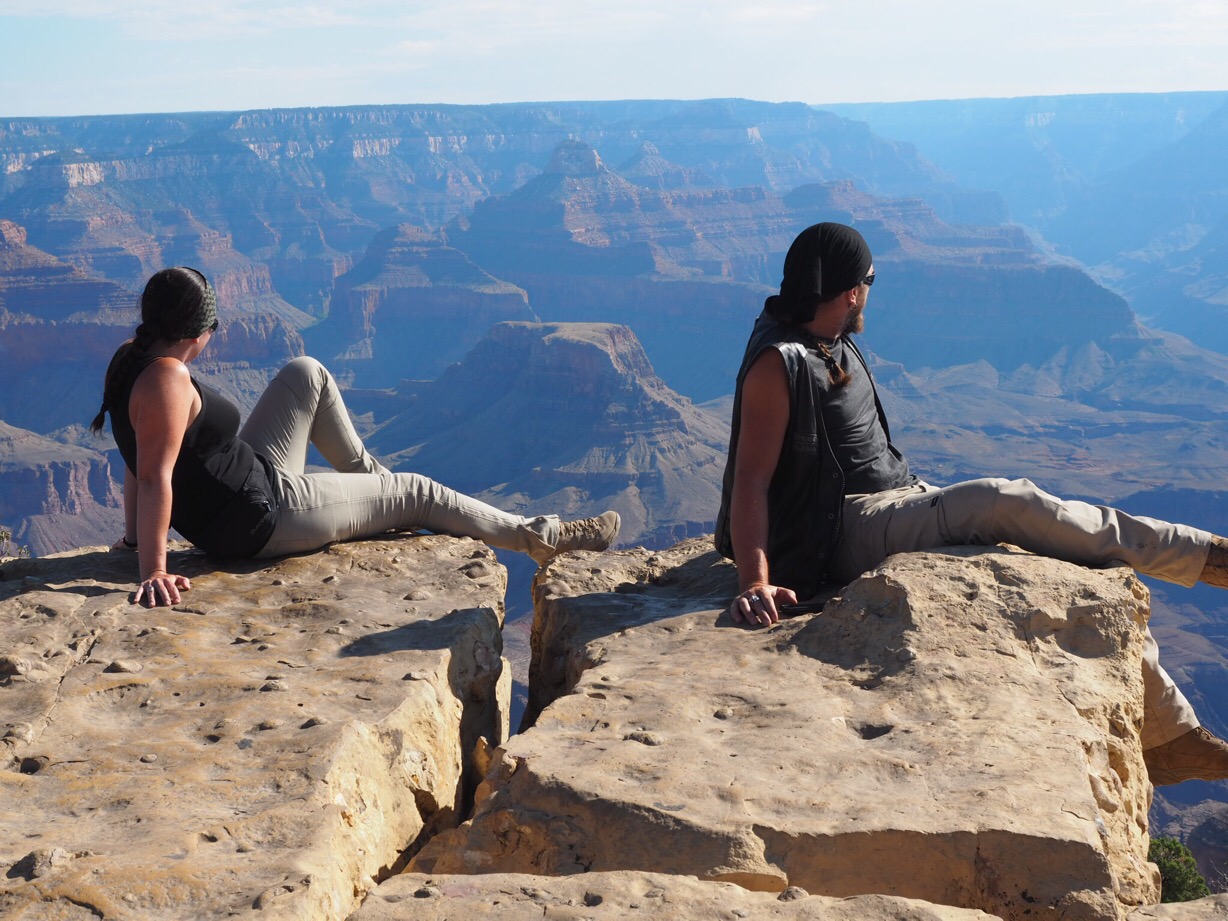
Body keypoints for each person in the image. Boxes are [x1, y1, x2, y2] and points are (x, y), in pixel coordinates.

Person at [715, 222, 1228, 786]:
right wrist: (754, 582)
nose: (871, 292)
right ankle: (1205, 556)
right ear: (852, 292)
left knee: (1081, 557)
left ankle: (1173, 737)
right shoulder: (779, 362)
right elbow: (751, 479)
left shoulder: (825, 335)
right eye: (870, 280)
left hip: (895, 497)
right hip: (843, 525)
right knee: (1002, 501)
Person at [93, 266, 620, 608]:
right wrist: (154, 568)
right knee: (420, 491)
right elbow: (154, 474)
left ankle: (378, 494)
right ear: (198, 331)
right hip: (262, 516)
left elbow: (135, 454)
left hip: (251, 478)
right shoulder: (168, 379)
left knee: (307, 373)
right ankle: (541, 538)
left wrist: (134, 538)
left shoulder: (132, 356)